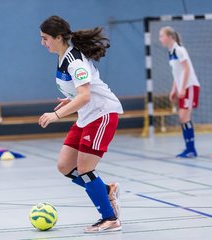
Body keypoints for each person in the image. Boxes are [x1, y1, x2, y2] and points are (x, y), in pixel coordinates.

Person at [38, 15, 123, 233]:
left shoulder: (73, 61)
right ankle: (106, 189)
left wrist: (56, 115)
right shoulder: (62, 56)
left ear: (58, 37)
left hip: (102, 114)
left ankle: (110, 218)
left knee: (85, 169)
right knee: (65, 166)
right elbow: (81, 90)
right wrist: (69, 99)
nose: (43, 42)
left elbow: (85, 95)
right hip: (87, 115)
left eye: (45, 38)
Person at [159, 26, 200, 158]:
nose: (160, 39)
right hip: (183, 86)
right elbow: (177, 74)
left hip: (190, 86)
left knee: (184, 117)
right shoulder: (170, 52)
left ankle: (191, 149)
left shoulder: (179, 50)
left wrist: (182, 88)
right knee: (182, 117)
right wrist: (174, 89)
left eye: (162, 36)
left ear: (170, 37)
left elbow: (186, 69)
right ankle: (189, 148)